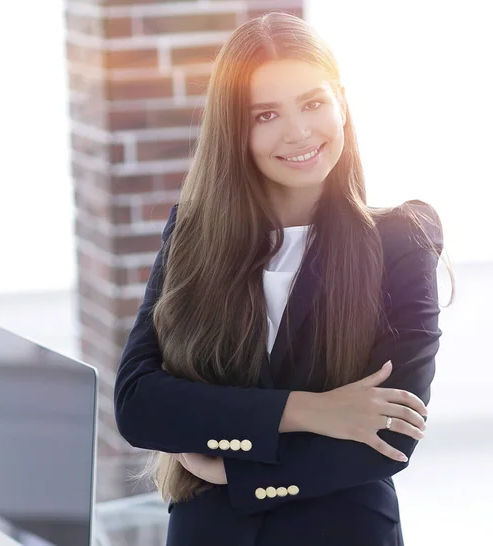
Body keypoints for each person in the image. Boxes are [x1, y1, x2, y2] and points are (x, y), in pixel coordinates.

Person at [113, 11, 454, 546]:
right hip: (207, 534)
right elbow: (139, 405)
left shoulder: (401, 240)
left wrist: (234, 471)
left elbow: (390, 435)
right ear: (235, 129)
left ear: (341, 102)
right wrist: (312, 410)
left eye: (313, 103)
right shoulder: (194, 233)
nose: (298, 132)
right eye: (265, 114)